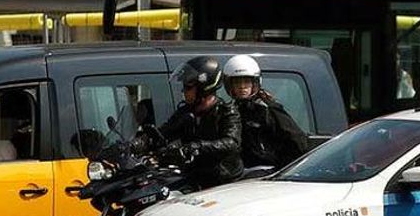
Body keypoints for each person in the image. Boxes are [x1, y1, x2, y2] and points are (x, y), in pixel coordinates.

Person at [129, 56, 243, 189]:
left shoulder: (227, 112)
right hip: (195, 177)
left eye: (188, 87)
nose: (184, 91)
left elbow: (231, 142)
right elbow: (163, 132)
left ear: (204, 87)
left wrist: (196, 147)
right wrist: (134, 145)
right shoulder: (186, 112)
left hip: (223, 182)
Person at [223, 55, 309, 170]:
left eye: (247, 82)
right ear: (229, 84)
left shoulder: (267, 108)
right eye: (237, 82)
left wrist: (281, 167)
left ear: (255, 83)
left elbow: (299, 142)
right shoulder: (228, 110)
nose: (242, 87)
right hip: (238, 172)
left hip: (265, 170)